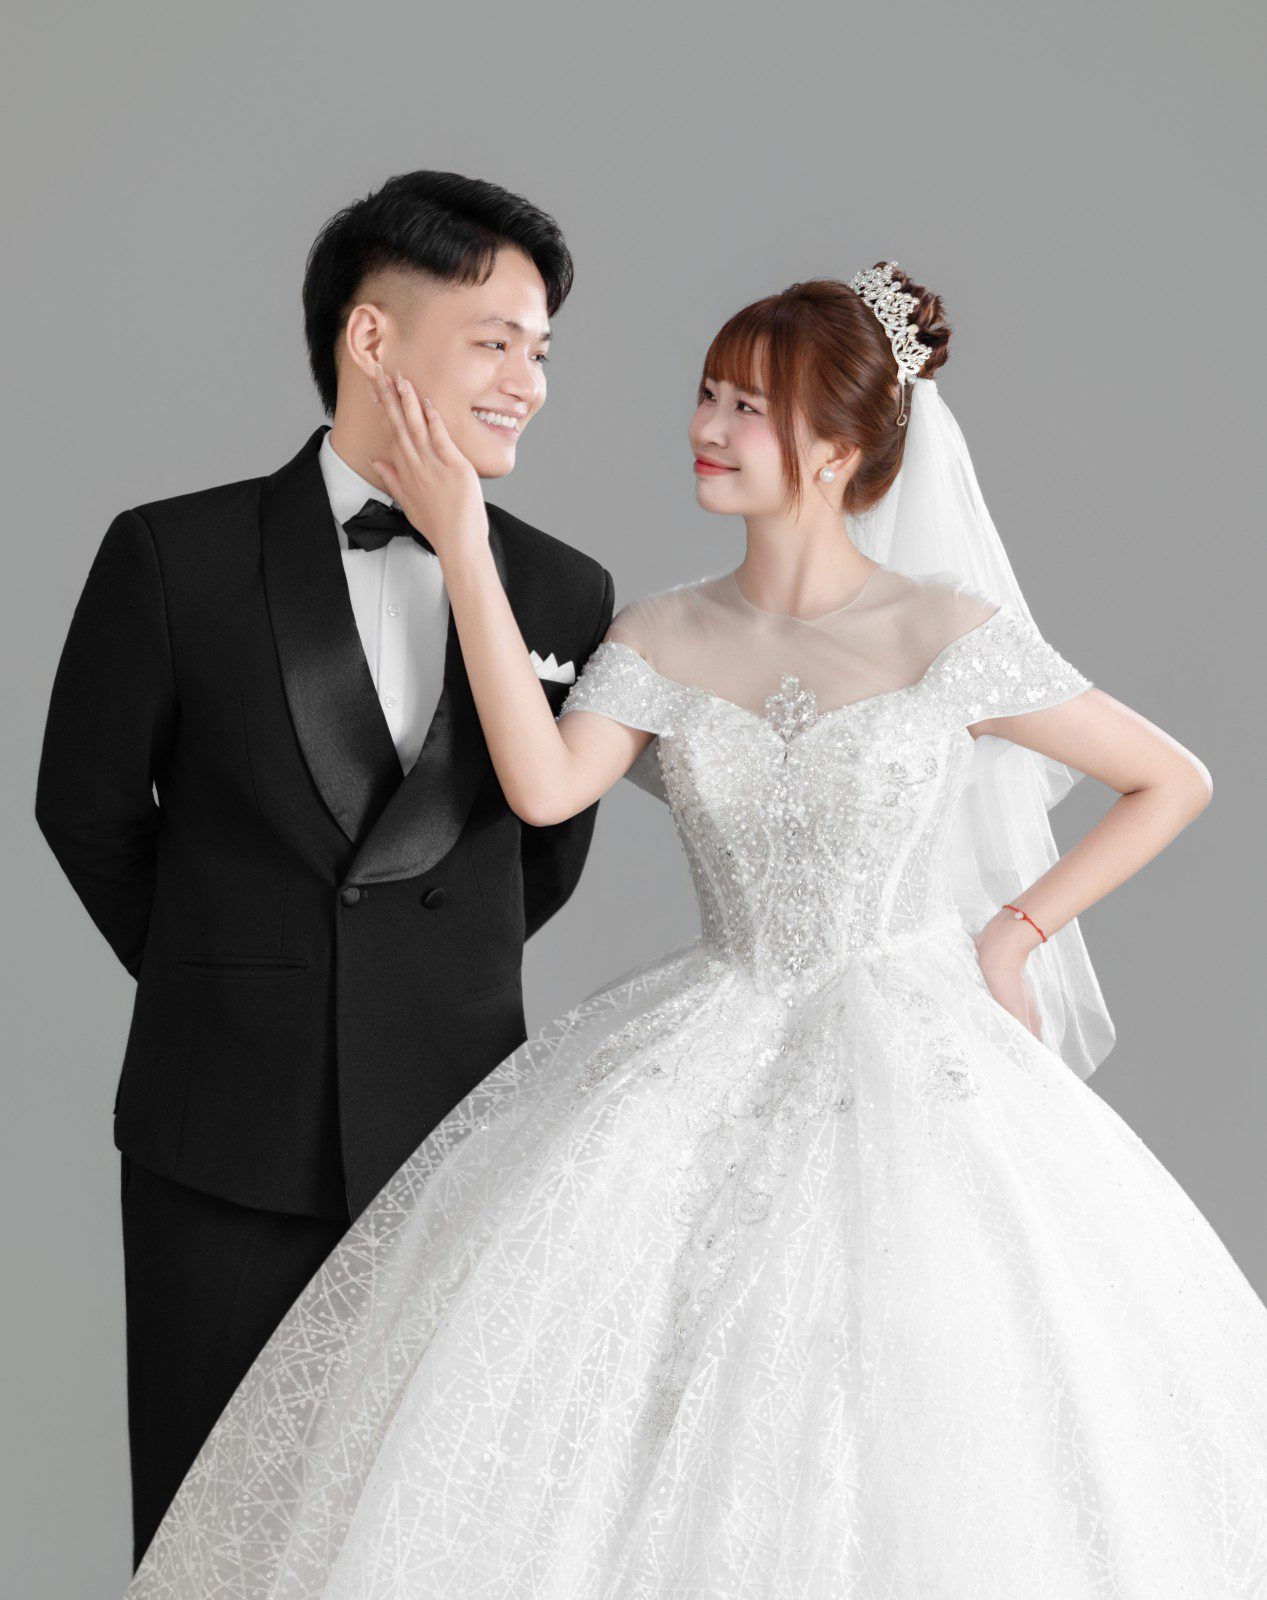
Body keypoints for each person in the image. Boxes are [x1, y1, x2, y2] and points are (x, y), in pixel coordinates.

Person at [124, 264, 1267, 1597]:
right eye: (707, 394)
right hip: (705, 1047)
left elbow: (1171, 779)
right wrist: (465, 547)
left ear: (835, 450)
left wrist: (1014, 934)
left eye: (748, 407)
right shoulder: (663, 632)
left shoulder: (949, 632)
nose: (706, 428)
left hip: (920, 1070)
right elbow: (543, 786)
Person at [33, 170, 615, 1572]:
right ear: (372, 338)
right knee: (209, 1540)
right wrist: (230, 974)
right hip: (222, 1130)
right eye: (495, 342)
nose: (528, 384)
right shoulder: (173, 555)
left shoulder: (563, 590)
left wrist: (403, 985)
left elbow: (545, 860)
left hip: (457, 1127)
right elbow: (85, 809)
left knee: (429, 1545)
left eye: (541, 352)